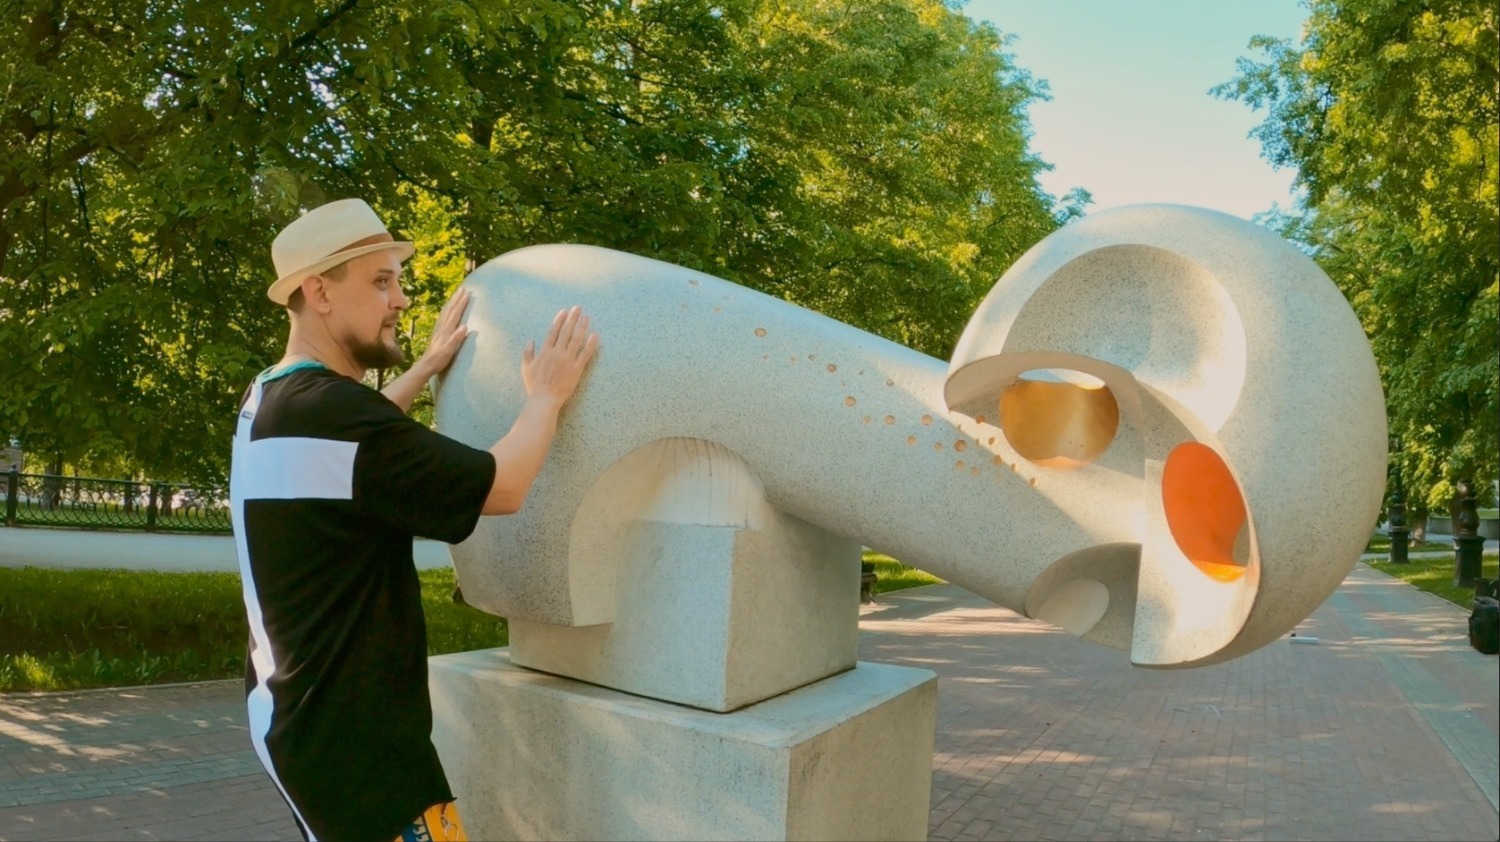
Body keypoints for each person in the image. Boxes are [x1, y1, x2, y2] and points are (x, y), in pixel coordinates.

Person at [229, 198, 598, 842]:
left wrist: (424, 367)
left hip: (294, 719)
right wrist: (547, 396)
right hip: (361, 752)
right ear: (319, 292)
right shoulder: (337, 416)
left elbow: (350, 451)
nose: (400, 299)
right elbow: (503, 486)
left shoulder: (273, 398)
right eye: (381, 281)